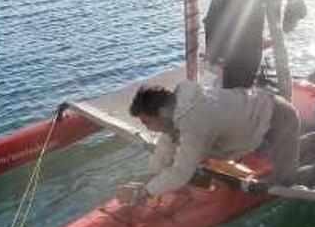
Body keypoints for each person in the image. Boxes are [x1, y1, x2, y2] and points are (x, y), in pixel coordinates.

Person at [119, 81, 301, 204]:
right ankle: (296, 149)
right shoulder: (176, 110)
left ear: (162, 112)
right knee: (269, 154)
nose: (149, 129)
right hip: (256, 121)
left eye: (147, 122)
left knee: (284, 183)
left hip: (279, 118)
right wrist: (148, 180)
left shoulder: (195, 121)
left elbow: (181, 172)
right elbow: (165, 147)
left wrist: (144, 193)